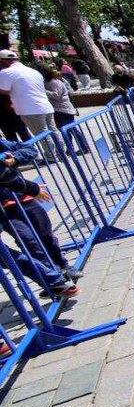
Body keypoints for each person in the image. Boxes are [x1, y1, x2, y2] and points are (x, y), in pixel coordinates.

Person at [0, 141, 79, 296]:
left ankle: (61, 270)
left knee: (45, 235)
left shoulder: (3, 142)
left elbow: (29, 148)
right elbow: (4, 175)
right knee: (29, 242)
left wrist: (15, 158)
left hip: (25, 198)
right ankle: (55, 279)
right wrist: (32, 188)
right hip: (6, 206)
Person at [0, 51, 59, 160]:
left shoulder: (6, 72)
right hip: (45, 106)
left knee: (42, 134)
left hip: (29, 109)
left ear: (3, 61)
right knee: (53, 131)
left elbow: (3, 90)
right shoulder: (33, 71)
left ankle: (51, 157)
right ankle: (61, 154)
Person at [39, 67, 82, 154]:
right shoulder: (52, 82)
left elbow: (56, 95)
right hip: (59, 109)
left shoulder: (54, 82)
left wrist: (43, 91)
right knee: (68, 130)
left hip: (63, 110)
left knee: (68, 129)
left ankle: (80, 147)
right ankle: (71, 148)